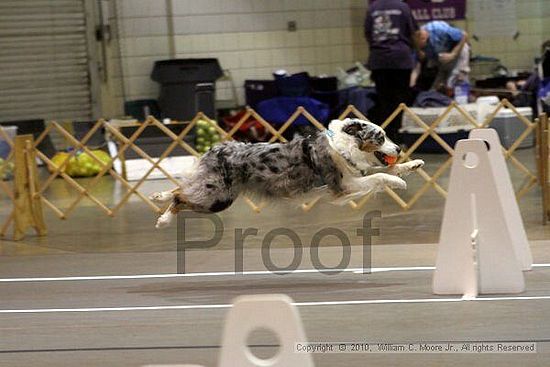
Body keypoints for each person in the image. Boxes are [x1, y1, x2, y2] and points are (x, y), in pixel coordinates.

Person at [364, 0, 419, 142]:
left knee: (384, 100)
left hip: (379, 60)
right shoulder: (403, 7)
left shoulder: (373, 8)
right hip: (400, 59)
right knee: (400, 99)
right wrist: (417, 50)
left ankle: (385, 136)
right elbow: (413, 32)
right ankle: (397, 135)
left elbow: (368, 34)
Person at [416, 21, 469, 91]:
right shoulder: (416, 38)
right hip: (441, 54)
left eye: (420, 47)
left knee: (456, 77)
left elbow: (464, 35)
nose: (420, 49)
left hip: (458, 48)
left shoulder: (438, 29)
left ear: (423, 38)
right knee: (438, 86)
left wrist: (453, 54)